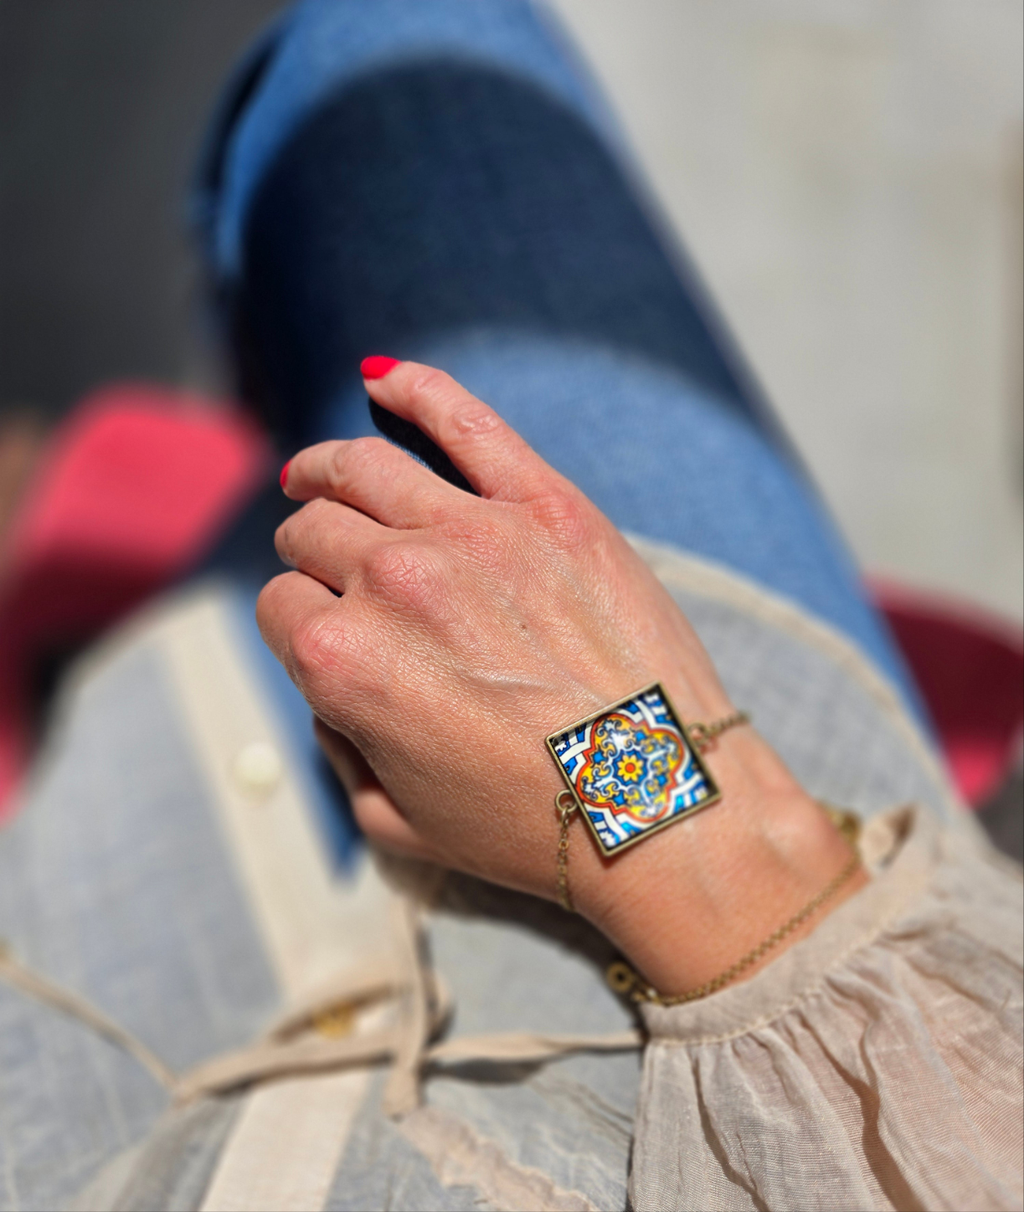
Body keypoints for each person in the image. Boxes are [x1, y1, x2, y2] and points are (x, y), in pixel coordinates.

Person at [0, 3, 1020, 1210]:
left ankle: (199, 478)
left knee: (388, 67)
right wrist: (664, 783)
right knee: (391, 83)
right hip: (839, 955)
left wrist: (675, 836)